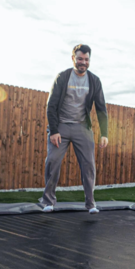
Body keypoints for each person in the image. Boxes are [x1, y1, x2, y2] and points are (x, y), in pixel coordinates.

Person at [39, 43, 109, 214]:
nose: (82, 62)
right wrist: (54, 130)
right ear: (73, 59)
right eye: (79, 59)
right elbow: (51, 105)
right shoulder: (62, 77)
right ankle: (48, 201)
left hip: (82, 128)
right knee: (53, 161)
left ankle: (91, 204)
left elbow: (101, 108)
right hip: (61, 127)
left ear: (89, 61)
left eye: (86, 59)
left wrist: (104, 133)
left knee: (88, 165)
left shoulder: (94, 81)